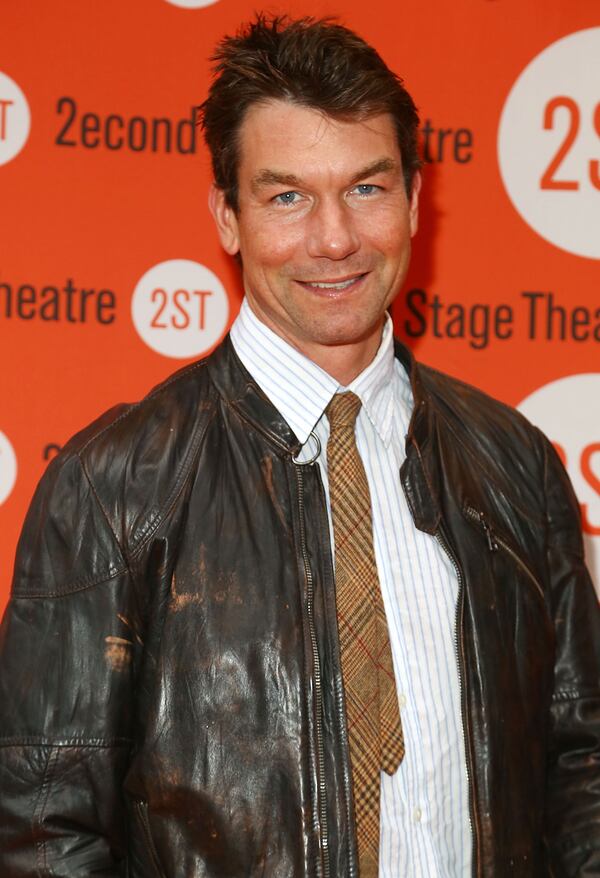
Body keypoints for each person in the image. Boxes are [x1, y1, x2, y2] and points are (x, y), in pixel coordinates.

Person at [1, 14, 599, 878]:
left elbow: (580, 769)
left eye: (367, 188)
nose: (334, 240)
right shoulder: (112, 489)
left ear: (415, 199)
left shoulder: (519, 467)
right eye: (287, 196)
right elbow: (43, 836)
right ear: (228, 217)